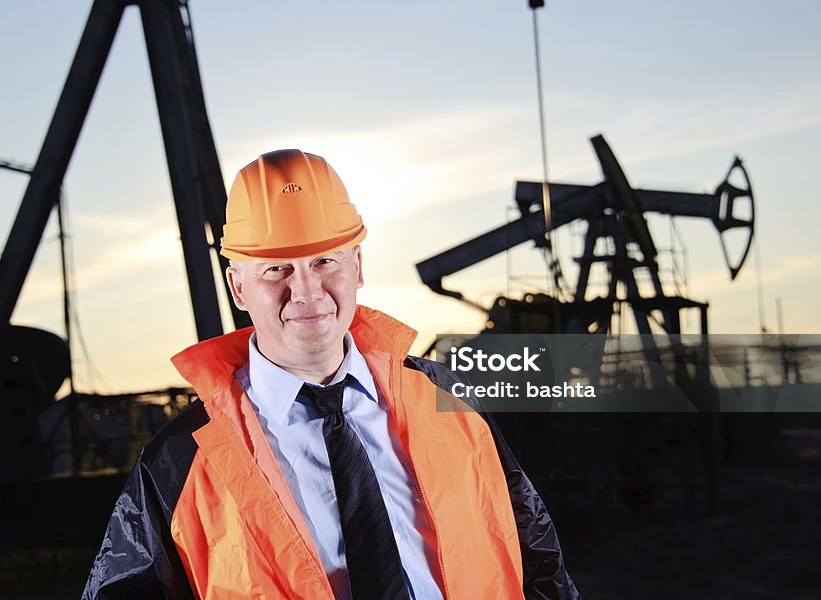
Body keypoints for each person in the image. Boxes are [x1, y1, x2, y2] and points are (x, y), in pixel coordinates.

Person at [82, 149, 581, 600]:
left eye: (325, 261)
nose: (307, 291)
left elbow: (538, 559)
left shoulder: (447, 400)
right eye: (276, 270)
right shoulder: (180, 461)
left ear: (357, 265)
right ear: (238, 287)